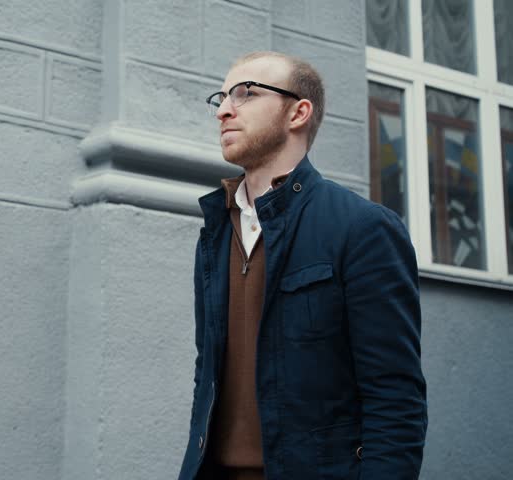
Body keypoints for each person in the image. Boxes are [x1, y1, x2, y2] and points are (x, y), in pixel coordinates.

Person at [177, 51, 428, 480]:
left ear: (298, 112)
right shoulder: (216, 232)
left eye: (246, 93)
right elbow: (209, 373)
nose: (224, 110)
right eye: (221, 97)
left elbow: (396, 400)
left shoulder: (362, 228)